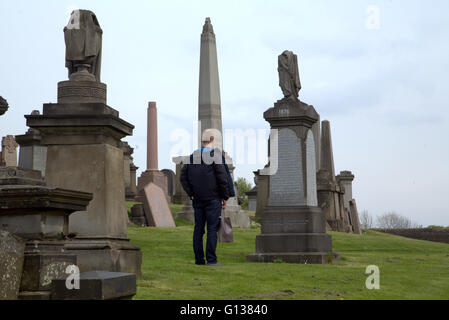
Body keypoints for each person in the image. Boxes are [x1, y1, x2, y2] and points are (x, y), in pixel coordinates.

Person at [180, 129, 234, 266]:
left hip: (197, 199)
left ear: (202, 141)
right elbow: (222, 177)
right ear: (212, 139)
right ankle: (211, 259)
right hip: (213, 199)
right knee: (211, 229)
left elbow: (183, 177)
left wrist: (191, 193)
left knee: (198, 229)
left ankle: (199, 260)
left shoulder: (192, 156)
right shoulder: (215, 155)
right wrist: (225, 196)